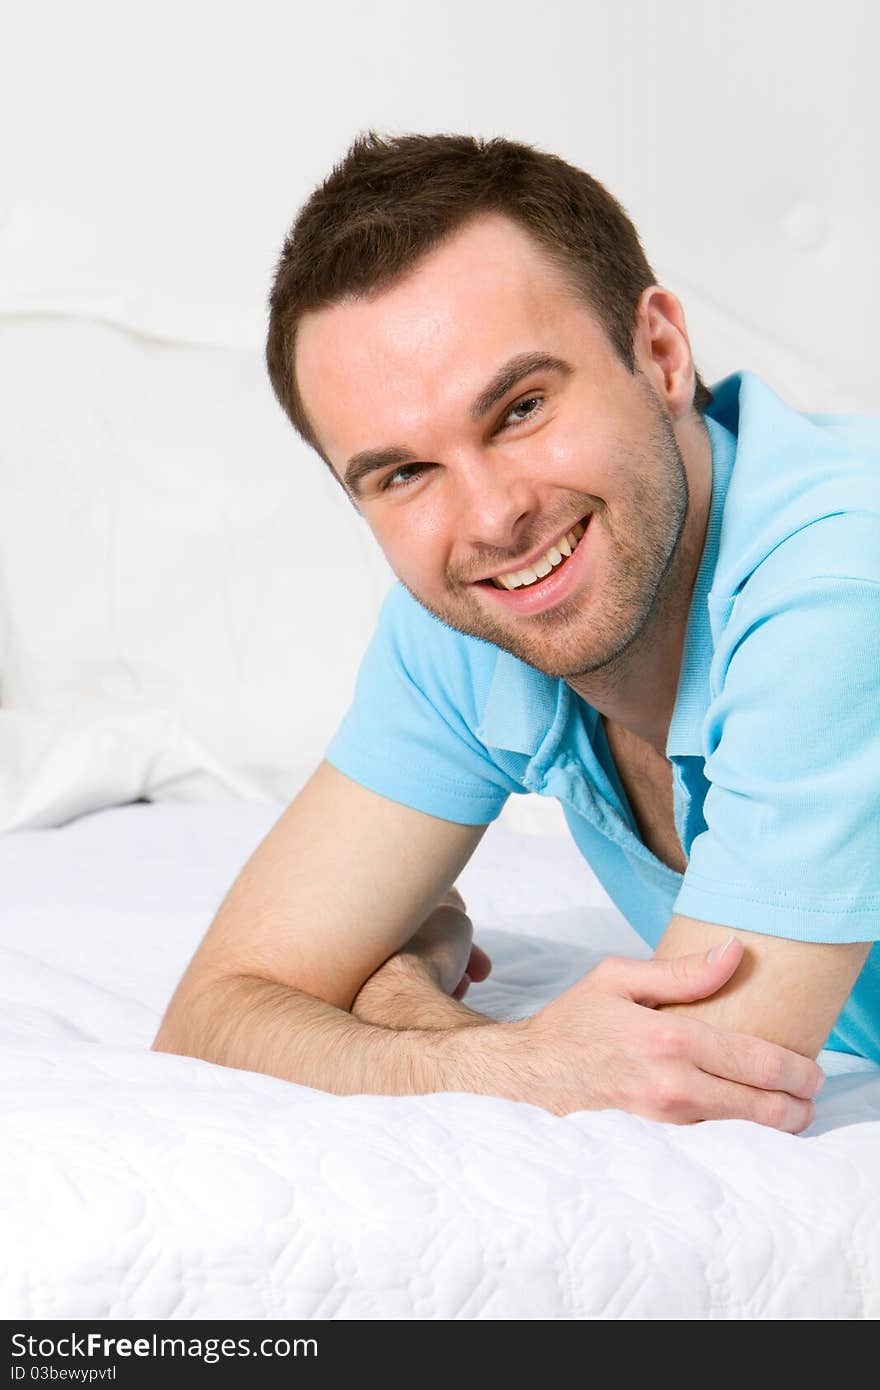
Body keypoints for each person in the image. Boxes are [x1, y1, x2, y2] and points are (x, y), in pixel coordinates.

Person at [152, 132, 880, 1131]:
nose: (491, 517)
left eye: (522, 408)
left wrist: (406, 1002)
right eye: (403, 473)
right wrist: (505, 1058)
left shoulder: (842, 577)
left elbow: (687, 1089)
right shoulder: (471, 612)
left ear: (659, 355)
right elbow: (213, 1015)